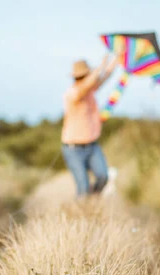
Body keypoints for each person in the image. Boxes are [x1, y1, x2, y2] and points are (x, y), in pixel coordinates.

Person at [61, 55, 119, 197]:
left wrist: (118, 57)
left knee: (103, 177)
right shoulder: (72, 94)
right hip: (73, 149)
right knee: (83, 187)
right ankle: (81, 211)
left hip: (92, 146)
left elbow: (105, 76)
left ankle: (91, 202)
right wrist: (100, 67)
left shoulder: (90, 91)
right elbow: (88, 85)